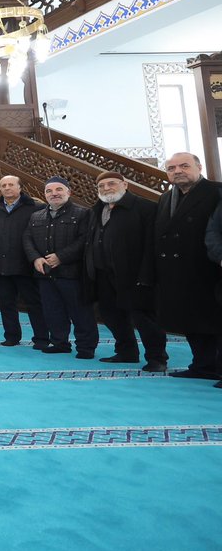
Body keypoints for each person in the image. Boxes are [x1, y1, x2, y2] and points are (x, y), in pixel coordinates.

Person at [86, 171, 165, 371]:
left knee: (144, 318)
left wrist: (147, 274)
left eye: (111, 184)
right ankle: (127, 352)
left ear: (125, 184)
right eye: (101, 186)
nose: (106, 189)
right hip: (104, 273)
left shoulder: (145, 208)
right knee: (112, 315)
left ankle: (157, 358)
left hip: (134, 274)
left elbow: (151, 244)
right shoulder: (97, 210)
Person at [157, 152, 221, 380]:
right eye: (171, 168)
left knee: (215, 323)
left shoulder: (216, 191)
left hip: (209, 270)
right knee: (191, 322)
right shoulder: (166, 198)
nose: (177, 171)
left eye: (184, 166)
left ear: (199, 167)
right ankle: (202, 366)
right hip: (178, 273)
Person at [22, 176, 97, 358]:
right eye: (49, 191)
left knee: (80, 312)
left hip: (72, 273)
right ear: (45, 194)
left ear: (68, 192)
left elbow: (84, 241)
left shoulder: (82, 214)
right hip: (45, 274)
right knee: (52, 311)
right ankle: (59, 342)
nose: (54, 194)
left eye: (58, 190)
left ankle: (86, 347)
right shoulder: (36, 215)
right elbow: (27, 239)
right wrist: (36, 258)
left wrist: (61, 257)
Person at [0, 175, 48, 347]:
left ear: (20, 187)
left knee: (34, 303)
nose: (7, 188)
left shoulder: (36, 208)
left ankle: (42, 338)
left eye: (11, 184)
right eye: (3, 185)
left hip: (25, 265)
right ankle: (12, 336)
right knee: (6, 303)